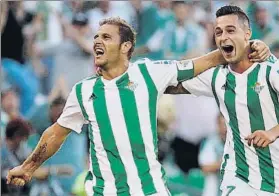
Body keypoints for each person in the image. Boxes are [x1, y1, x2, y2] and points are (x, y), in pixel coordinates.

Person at [6, 17, 268, 196]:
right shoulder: (83, 90)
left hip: (150, 189)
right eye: (96, 36)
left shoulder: (148, 73)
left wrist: (248, 46)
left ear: (126, 46)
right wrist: (28, 167)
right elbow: (55, 133)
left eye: (106, 37)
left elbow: (202, 62)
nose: (97, 41)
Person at [166, 5, 279, 196]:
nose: (223, 36)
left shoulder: (270, 69)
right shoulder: (217, 77)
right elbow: (170, 84)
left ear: (247, 34)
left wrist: (273, 132)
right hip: (238, 176)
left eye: (230, 30)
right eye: (218, 32)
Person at [198, 114, 227, 196]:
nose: (225, 128)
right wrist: (227, 162)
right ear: (217, 125)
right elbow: (205, 167)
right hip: (212, 191)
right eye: (222, 124)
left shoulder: (236, 143)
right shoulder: (211, 142)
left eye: (227, 125)